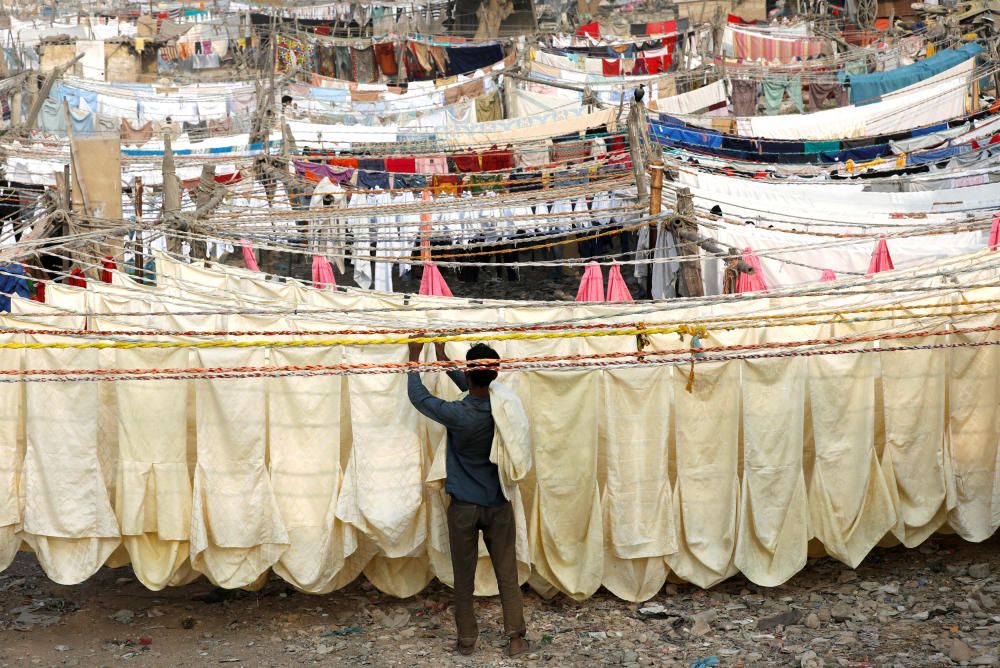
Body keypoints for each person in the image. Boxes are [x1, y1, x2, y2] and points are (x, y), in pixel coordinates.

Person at [406, 340, 531, 657]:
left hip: (463, 508)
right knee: (507, 573)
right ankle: (516, 639)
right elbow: (473, 383)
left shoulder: (458, 414)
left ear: (469, 371)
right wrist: (444, 357)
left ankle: (466, 641)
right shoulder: (504, 403)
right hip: (498, 504)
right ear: (496, 372)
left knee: (464, 576)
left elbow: (419, 398)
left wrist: (414, 356)